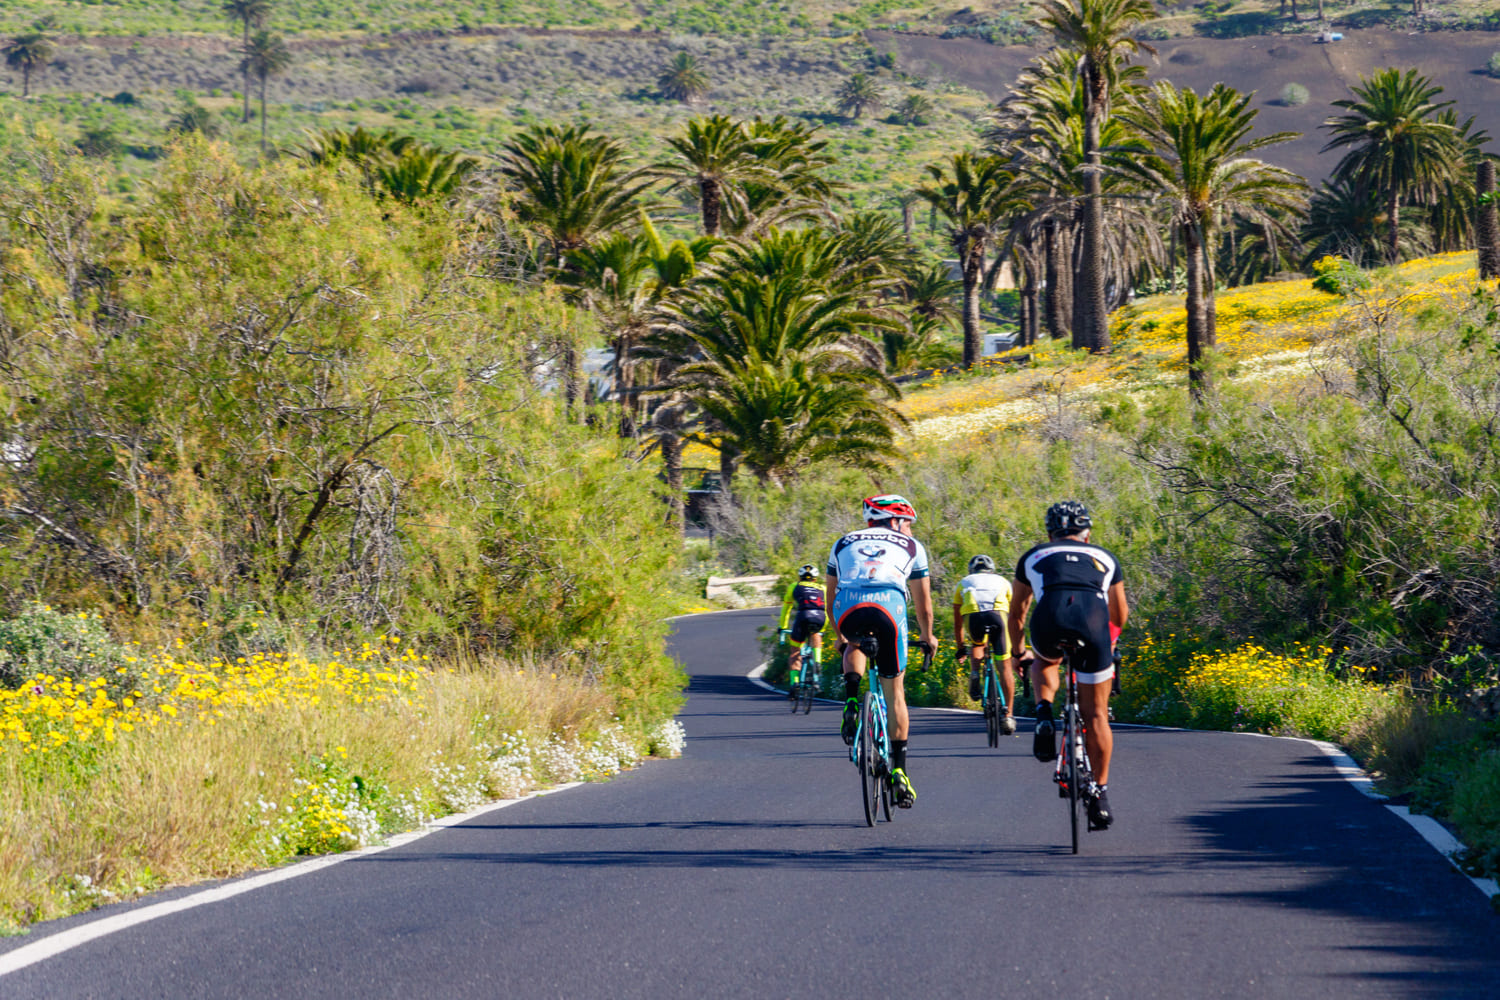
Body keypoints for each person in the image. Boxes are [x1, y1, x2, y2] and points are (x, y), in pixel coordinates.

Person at [1007, 500, 1128, 830]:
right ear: (1087, 534)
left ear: (1049, 533)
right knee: (1097, 715)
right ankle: (1100, 795)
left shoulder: (1034, 556)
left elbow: (1017, 611)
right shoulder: (1105, 557)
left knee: (1044, 660)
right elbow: (1119, 615)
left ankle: (1044, 712)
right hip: (1092, 623)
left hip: (1050, 620)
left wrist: (1019, 653)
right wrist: (1108, 645)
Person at [825, 494, 936, 809]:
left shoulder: (842, 542)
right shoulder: (912, 546)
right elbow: (923, 605)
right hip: (889, 606)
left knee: (854, 642)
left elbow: (830, 594)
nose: (910, 531)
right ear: (897, 521)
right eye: (908, 524)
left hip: (848, 608)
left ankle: (850, 699)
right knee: (895, 693)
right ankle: (899, 770)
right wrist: (928, 637)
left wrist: (839, 636)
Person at [953, 554, 1016, 734]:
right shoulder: (1003, 581)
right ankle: (1009, 716)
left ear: (971, 570)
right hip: (999, 618)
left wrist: (960, 648)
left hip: (974, 619)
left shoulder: (963, 582)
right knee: (1005, 667)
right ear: (992, 569)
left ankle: (974, 674)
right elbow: (1014, 615)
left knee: (977, 644)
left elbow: (958, 623)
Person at [778, 564, 827, 695]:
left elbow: (786, 609)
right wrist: (824, 628)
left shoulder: (794, 586)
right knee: (816, 634)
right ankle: (817, 662)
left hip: (803, 616)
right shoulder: (823, 588)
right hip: (820, 617)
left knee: (795, 651)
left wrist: (782, 627)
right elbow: (828, 610)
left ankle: (794, 683)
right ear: (815, 579)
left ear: (800, 578)